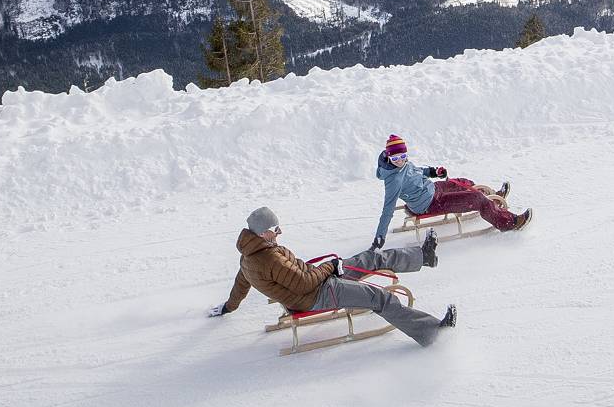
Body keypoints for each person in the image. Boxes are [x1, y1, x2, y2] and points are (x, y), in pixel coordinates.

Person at [209, 206, 456, 346]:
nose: (280, 231)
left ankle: (422, 256)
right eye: (275, 229)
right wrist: (330, 267)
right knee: (379, 298)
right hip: (314, 295)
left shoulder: (250, 256)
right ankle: (431, 333)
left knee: (369, 258)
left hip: (315, 281)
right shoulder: (267, 258)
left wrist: (228, 307)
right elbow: (304, 283)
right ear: (263, 233)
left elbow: (239, 287)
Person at [372, 132, 531, 247]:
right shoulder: (393, 180)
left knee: (463, 182)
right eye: (395, 158)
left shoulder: (404, 164)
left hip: (433, 189)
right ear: (389, 158)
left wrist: (434, 172)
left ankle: (493, 200)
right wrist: (380, 236)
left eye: (403, 156)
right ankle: (509, 223)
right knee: (476, 199)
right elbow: (387, 210)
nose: (400, 161)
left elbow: (417, 171)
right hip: (429, 204)